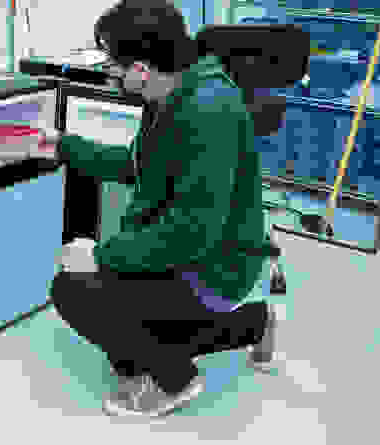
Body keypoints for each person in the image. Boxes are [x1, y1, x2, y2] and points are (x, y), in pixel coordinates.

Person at [36, 0, 279, 418]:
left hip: (216, 264)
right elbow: (135, 164)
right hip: (188, 250)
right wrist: (63, 145)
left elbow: (191, 231)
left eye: (114, 61)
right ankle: (255, 322)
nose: (109, 69)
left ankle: (176, 381)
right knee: (136, 332)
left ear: (142, 68)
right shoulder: (166, 96)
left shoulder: (208, 109)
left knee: (73, 289)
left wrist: (99, 255)